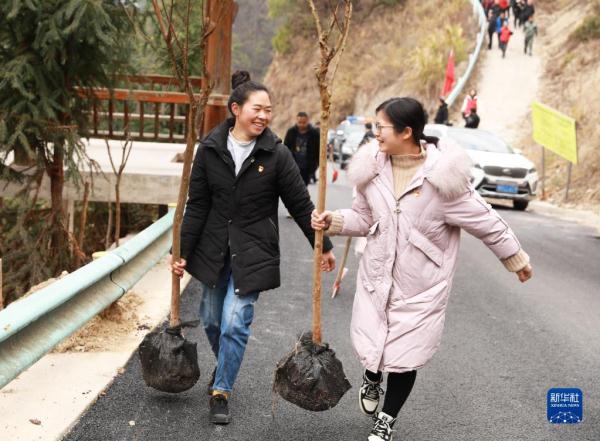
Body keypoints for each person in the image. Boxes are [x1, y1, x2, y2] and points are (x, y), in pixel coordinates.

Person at [312, 97, 532, 441]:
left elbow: (486, 221)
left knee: (405, 355)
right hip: (377, 274)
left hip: (422, 285)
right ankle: (372, 377)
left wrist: (514, 258)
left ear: (407, 131)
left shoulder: (445, 181)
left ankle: (386, 418)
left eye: (381, 126)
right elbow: (365, 217)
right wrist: (335, 221)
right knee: (374, 342)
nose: (376, 133)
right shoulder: (371, 170)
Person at [170, 71, 336, 425]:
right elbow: (197, 205)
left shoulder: (276, 154)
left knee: (234, 322)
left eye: (269, 110)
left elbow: (300, 204)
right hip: (213, 250)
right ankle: (224, 366)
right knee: (213, 321)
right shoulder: (210, 149)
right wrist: (181, 250)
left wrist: (322, 246)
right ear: (236, 109)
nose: (264, 116)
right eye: (257, 109)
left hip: (254, 250)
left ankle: (221, 390)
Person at [284, 112, 320, 186]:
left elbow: (318, 149)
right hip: (292, 166)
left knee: (303, 188)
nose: (301, 124)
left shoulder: (314, 133)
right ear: (296, 121)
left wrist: (316, 164)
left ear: (308, 121)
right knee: (292, 188)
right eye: (299, 122)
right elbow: (285, 148)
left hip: (307, 168)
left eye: (304, 122)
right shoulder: (291, 132)